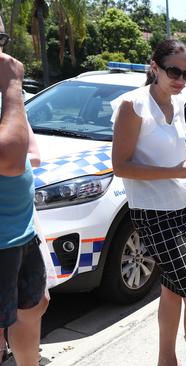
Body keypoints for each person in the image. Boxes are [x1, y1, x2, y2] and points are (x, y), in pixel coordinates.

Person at [112, 40, 186, 366]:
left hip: (184, 205)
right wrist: (177, 170)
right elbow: (121, 166)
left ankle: (166, 360)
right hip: (153, 214)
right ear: (154, 66)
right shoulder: (133, 105)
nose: (181, 79)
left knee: (172, 288)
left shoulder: (178, 101)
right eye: (174, 71)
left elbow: (175, 152)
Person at [0, 48, 49, 366]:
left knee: (35, 304)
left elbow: (28, 150)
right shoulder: (9, 88)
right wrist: (13, 86)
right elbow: (10, 157)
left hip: (21, 231)